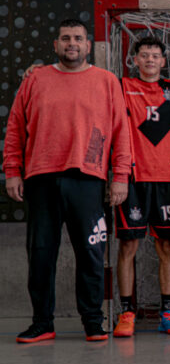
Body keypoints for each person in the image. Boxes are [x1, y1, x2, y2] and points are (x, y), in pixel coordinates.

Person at [4, 18, 131, 343]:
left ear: (88, 45)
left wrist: (120, 177)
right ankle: (42, 323)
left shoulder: (106, 81)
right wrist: (13, 171)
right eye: (65, 38)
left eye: (77, 38)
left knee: (91, 253)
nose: (71, 43)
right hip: (41, 179)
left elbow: (121, 132)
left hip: (88, 180)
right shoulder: (35, 79)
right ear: (55, 45)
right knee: (42, 253)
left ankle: (92, 321)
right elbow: (16, 127)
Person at [112, 37, 170, 337]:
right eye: (145, 55)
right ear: (135, 60)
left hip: (166, 179)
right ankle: (127, 312)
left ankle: (167, 312)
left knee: (165, 246)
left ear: (163, 61)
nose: (150, 60)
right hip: (133, 179)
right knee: (128, 245)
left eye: (156, 56)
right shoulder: (121, 86)